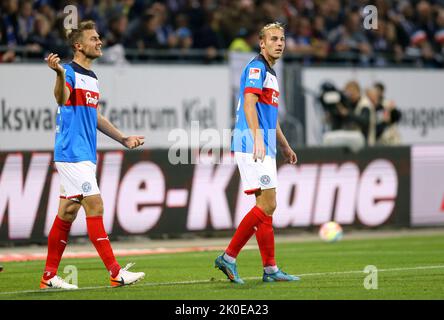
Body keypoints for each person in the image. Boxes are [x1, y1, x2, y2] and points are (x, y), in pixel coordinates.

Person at [41, 20, 145, 290]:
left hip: (84, 154)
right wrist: (60, 75)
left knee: (67, 212)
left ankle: (49, 276)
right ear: (78, 45)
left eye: (99, 38)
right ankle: (115, 272)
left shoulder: (93, 77)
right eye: (94, 38)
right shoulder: (70, 72)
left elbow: (94, 115)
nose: (100, 42)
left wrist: (122, 138)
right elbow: (62, 99)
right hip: (71, 153)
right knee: (95, 205)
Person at [215, 22, 300, 284]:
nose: (279, 43)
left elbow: (270, 118)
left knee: (266, 208)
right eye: (273, 39)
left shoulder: (271, 74)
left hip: (264, 144)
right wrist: (256, 139)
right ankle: (228, 257)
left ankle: (270, 268)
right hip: (252, 143)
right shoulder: (256, 67)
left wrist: (284, 145)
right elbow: (249, 105)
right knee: (268, 204)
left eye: (282, 39)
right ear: (262, 43)